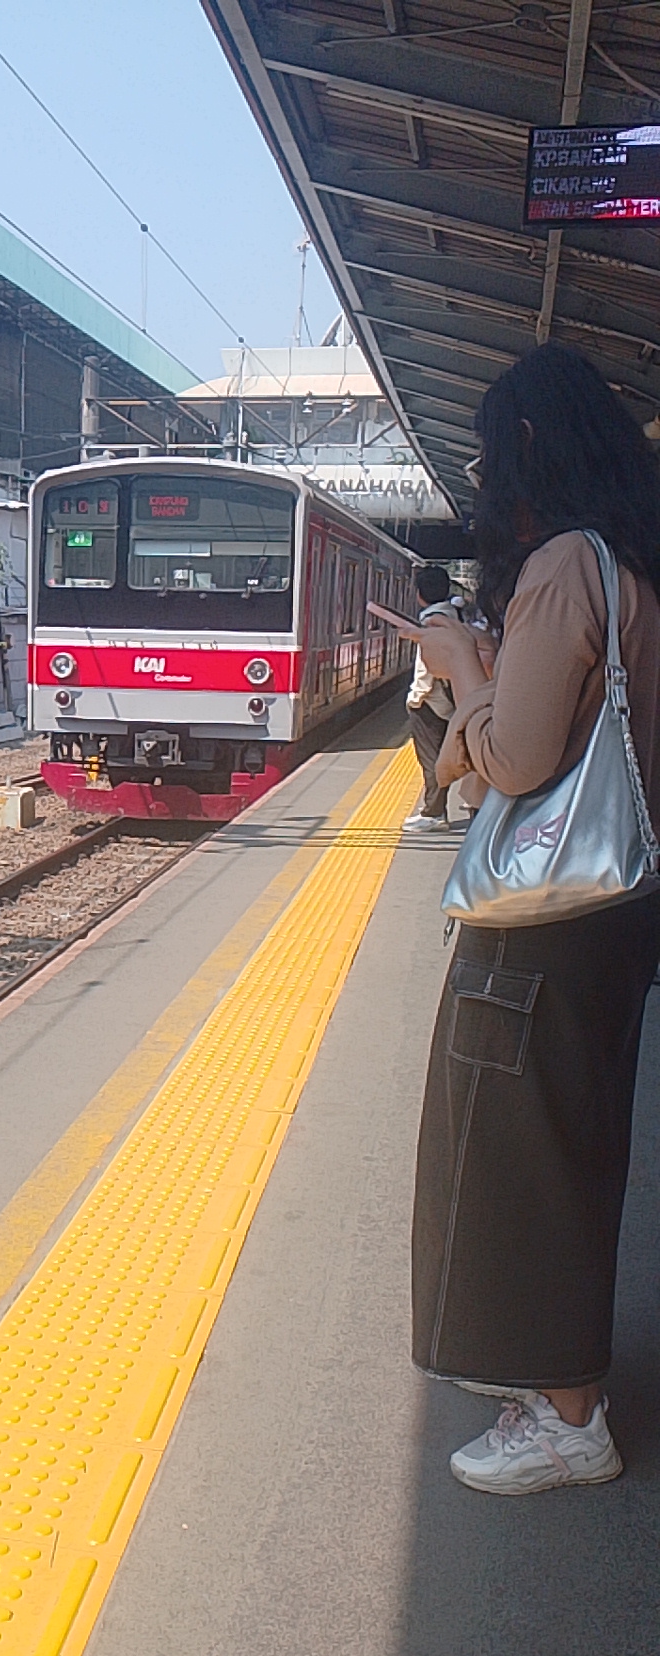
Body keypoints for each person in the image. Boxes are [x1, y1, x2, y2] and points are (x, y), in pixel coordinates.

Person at [410, 341, 660, 1494]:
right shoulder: (631, 569)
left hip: (544, 927)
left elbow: (511, 761)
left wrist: (463, 668)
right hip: (613, 912)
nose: (478, 477)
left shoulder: (564, 564)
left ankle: (567, 1417)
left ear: (524, 445)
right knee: (571, 1147)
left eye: (483, 453)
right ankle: (556, 1384)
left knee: (526, 1162)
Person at [401, 566, 461, 833]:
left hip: (431, 702)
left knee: (431, 759)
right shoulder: (452, 615)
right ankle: (437, 809)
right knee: (441, 756)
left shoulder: (431, 621)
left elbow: (426, 665)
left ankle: (434, 813)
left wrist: (416, 697)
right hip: (449, 701)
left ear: (419, 593)